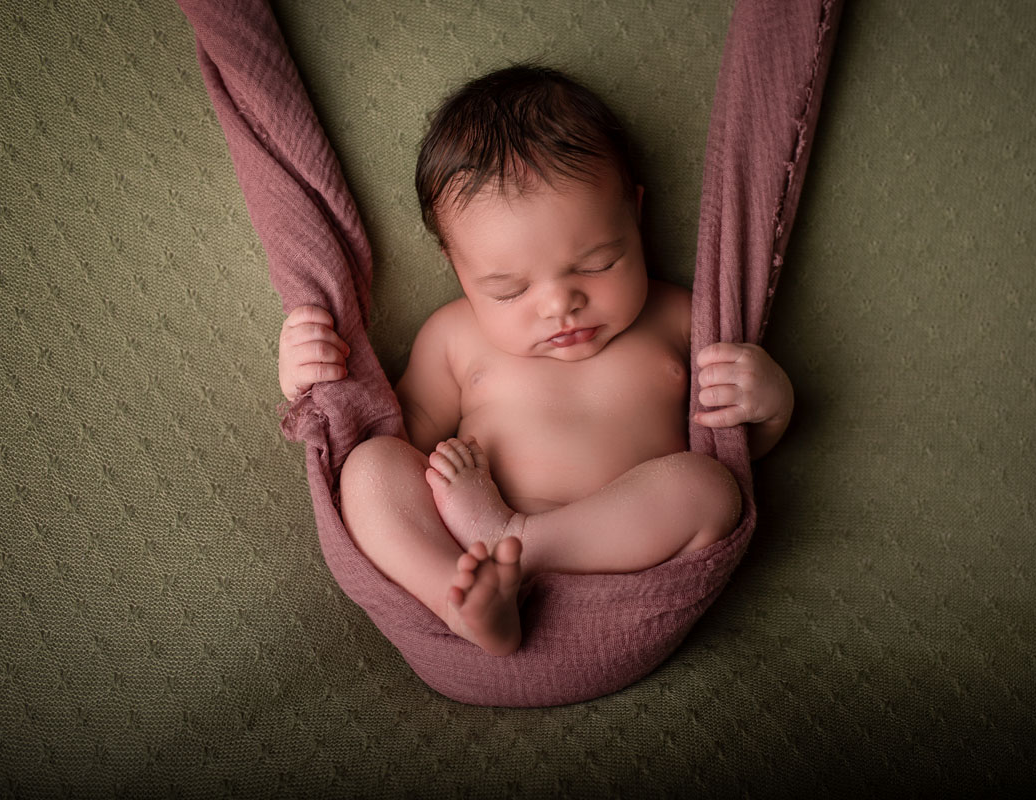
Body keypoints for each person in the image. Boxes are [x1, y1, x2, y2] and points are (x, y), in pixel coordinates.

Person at [277, 64, 794, 657]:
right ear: (458, 269)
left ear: (636, 213)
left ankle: (521, 540)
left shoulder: (683, 319)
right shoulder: (453, 335)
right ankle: (454, 598)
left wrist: (771, 403)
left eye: (599, 263)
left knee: (711, 488)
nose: (560, 306)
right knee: (368, 466)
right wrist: (315, 386)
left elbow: (736, 442)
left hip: (615, 562)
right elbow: (389, 431)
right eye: (508, 290)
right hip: (467, 563)